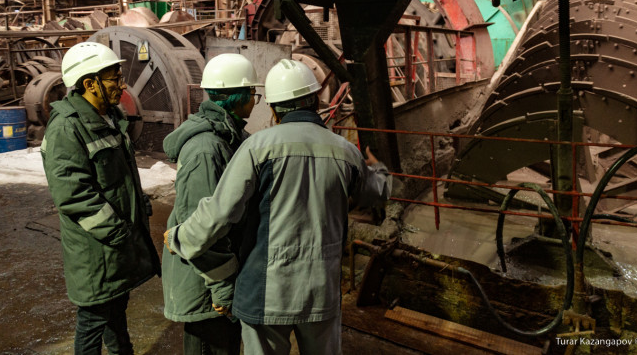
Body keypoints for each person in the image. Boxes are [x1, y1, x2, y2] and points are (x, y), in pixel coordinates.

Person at [165, 58, 391, 355]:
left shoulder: (257, 147)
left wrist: (181, 237)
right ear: (315, 101)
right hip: (321, 293)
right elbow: (374, 197)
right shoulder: (346, 152)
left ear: (273, 109)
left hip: (266, 294)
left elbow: (220, 212)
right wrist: (381, 172)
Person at [41, 41, 160, 355]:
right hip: (96, 249)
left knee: (116, 309)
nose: (122, 85)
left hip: (115, 244)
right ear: (89, 84)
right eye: (114, 78)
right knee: (94, 319)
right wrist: (118, 232)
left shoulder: (109, 116)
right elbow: (73, 195)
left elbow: (120, 177)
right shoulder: (67, 129)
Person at [162, 53, 263, 355]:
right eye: (252, 93)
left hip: (220, 277)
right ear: (236, 96)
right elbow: (200, 230)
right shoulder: (206, 150)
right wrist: (223, 287)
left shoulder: (231, 137)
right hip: (206, 287)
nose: (255, 100)